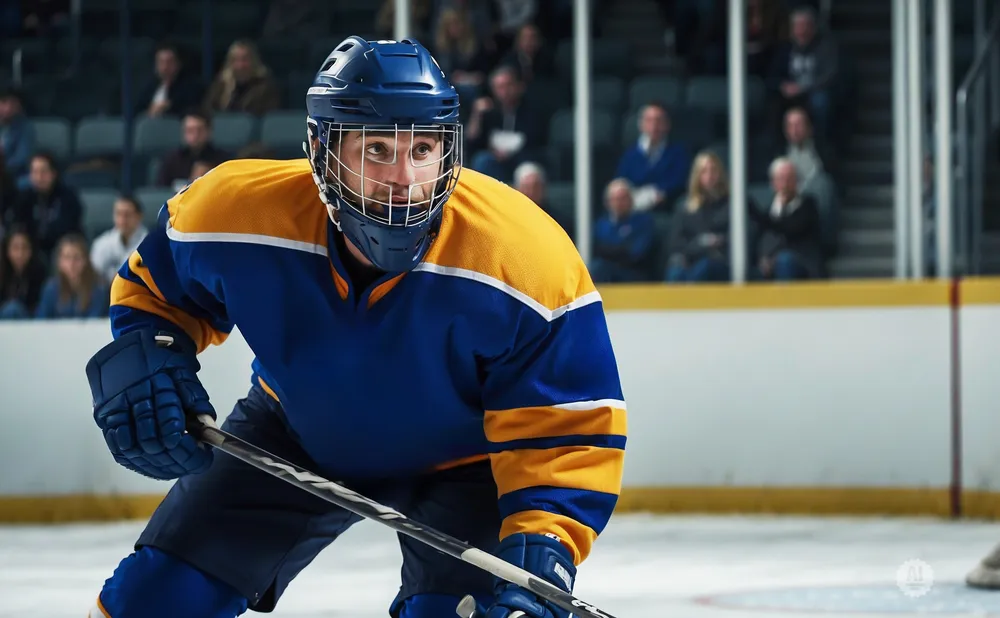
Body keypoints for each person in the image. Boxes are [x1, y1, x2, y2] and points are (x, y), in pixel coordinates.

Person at [84, 36, 626, 618]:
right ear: (322, 151)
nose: (405, 178)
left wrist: (544, 547)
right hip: (292, 438)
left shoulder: (522, 260)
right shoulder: (235, 213)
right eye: (376, 149)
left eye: (423, 149)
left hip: (471, 469)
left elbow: (567, 429)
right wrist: (151, 356)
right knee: (147, 603)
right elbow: (156, 288)